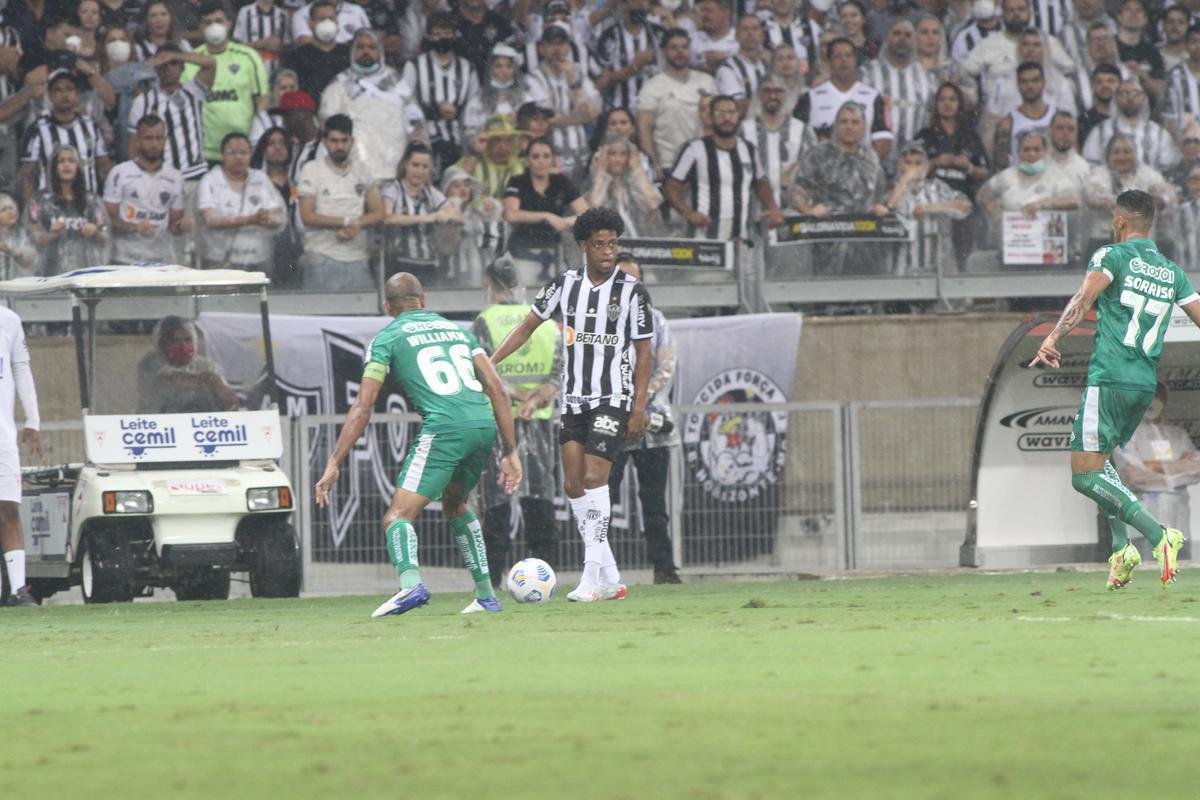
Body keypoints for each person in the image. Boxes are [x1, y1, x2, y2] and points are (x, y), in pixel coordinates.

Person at [314, 272, 522, 617]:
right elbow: (497, 389)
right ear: (423, 301)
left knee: (397, 515)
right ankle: (486, 595)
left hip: (444, 428)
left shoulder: (388, 337)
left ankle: (411, 585)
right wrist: (511, 451)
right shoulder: (460, 332)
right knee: (456, 503)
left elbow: (364, 405)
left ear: (387, 306)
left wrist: (335, 460)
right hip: (482, 424)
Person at [1030, 189, 1194, 590]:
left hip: (1110, 377)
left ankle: (1158, 535)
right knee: (1102, 463)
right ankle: (1122, 549)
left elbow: (1084, 297)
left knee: (1083, 477)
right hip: (1143, 383)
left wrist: (1052, 337)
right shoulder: (1173, 272)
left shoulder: (1111, 256)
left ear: (1119, 221)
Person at [490, 207, 653, 602]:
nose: (607, 251)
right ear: (583, 245)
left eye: (613, 243)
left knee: (597, 479)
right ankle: (611, 577)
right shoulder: (564, 285)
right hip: (575, 399)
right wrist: (490, 362)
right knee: (573, 484)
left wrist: (638, 404)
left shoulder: (632, 291)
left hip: (613, 397)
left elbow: (645, 352)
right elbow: (527, 327)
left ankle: (590, 577)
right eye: (599, 244)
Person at [471, 259, 562, 582]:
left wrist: (517, 396)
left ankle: (492, 578)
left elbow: (483, 373)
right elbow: (557, 376)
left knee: (497, 500)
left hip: (500, 422)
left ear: (488, 284)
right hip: (540, 421)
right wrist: (535, 398)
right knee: (539, 498)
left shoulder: (485, 321)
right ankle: (545, 573)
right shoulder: (545, 322)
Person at [608, 253, 682, 584]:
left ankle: (664, 568)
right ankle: (602, 570)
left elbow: (666, 366)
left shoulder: (657, 320)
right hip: (610, 425)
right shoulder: (600, 323)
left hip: (652, 425)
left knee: (654, 502)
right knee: (603, 501)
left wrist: (640, 400)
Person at [666, 94, 784, 241]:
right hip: (704, 238)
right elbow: (672, 186)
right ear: (710, 117)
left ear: (738, 116)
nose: (726, 118)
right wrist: (688, 213)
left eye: (731, 113)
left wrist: (772, 207)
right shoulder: (694, 149)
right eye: (719, 113)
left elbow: (760, 182)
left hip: (741, 238)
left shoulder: (748, 149)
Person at [296, 114, 383, 292]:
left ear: (352, 141)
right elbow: (307, 216)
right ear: (324, 142)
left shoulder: (363, 171)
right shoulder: (311, 169)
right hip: (321, 256)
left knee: (360, 316)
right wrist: (345, 222)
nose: (339, 146)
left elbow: (379, 212)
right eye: (334, 141)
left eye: (344, 140)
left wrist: (358, 223)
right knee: (319, 317)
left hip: (358, 257)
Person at [323, 27, 419, 185]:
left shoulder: (397, 83)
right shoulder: (339, 84)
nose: (366, 51)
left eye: (372, 47)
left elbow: (415, 122)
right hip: (353, 175)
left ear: (380, 51)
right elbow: (327, 126)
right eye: (360, 47)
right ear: (352, 51)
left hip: (394, 174)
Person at [1113, 381, 1200, 551]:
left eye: (1158, 396)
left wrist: (1151, 466)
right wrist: (1179, 466)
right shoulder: (1127, 434)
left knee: (1181, 569)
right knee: (1145, 568)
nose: (1153, 401)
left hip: (1178, 515)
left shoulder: (1178, 434)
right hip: (1142, 513)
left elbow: (1196, 470)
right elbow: (1132, 475)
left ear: (1165, 400)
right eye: (1149, 396)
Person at [184, 2, 269, 164]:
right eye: (208, 22)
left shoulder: (248, 56)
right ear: (200, 27)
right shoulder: (191, 59)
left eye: (218, 21)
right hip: (204, 151)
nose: (214, 26)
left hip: (243, 150)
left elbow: (261, 100)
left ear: (228, 24)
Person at [503, 137, 588, 288]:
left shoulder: (561, 181)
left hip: (556, 252)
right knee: (524, 294)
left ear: (553, 159)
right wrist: (547, 216)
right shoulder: (517, 181)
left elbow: (587, 214)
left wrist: (569, 220)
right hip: (523, 250)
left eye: (546, 156)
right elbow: (511, 214)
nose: (541, 161)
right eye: (535, 157)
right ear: (527, 159)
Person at [104, 114, 188, 264]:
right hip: (124, 259)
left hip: (160, 260)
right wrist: (135, 227)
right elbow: (108, 221)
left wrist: (183, 226)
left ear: (165, 140)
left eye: (159, 138)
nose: (154, 143)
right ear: (137, 140)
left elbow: (174, 226)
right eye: (148, 138)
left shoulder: (175, 177)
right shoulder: (120, 173)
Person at [20, 68, 111, 205]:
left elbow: (104, 166)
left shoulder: (91, 125)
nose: (65, 94)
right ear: (49, 95)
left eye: (69, 89)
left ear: (77, 94)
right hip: (50, 207)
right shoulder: (37, 129)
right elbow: (27, 174)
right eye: (58, 90)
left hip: (87, 204)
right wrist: (32, 213)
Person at [793, 37, 893, 162]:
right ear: (828, 62)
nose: (843, 60)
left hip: (861, 172)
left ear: (856, 60)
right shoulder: (809, 98)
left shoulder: (873, 97)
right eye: (837, 56)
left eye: (848, 55)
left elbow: (883, 141)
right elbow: (795, 139)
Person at [524, 21, 601, 182]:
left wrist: (572, 80)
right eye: (551, 44)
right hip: (550, 154)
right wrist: (579, 117)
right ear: (542, 49)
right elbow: (544, 120)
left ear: (568, 48)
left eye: (561, 44)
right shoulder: (533, 78)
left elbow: (593, 114)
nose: (557, 49)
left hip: (581, 150)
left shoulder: (578, 73)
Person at [197, 131, 285, 271]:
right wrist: (251, 220)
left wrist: (268, 219)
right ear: (222, 155)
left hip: (259, 258)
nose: (238, 157)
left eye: (243, 152)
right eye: (232, 153)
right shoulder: (210, 180)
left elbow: (278, 215)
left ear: (251, 153)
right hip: (220, 260)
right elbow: (210, 220)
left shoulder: (260, 178)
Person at [636, 27, 716, 179]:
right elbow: (644, 130)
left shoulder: (707, 81)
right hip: (670, 165)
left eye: (684, 47)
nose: (680, 52)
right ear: (664, 51)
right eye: (673, 47)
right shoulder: (652, 87)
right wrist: (654, 165)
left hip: (705, 161)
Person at [0, 306, 40, 607]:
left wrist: (33, 420)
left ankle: (18, 590)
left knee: (8, 508)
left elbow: (21, 369)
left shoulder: (10, 319)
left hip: (2, 435)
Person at [26, 144, 109, 275]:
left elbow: (106, 240)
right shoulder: (39, 201)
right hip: (50, 274)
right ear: (54, 167)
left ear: (78, 167)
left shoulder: (92, 201)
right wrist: (52, 235)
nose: (66, 165)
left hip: (86, 274)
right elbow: (31, 239)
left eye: (71, 161)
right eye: (61, 161)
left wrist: (95, 232)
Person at [136, 315, 239, 414]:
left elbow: (231, 402)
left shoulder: (207, 366)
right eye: (175, 340)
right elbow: (166, 380)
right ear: (162, 343)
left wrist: (217, 384)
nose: (183, 346)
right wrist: (206, 379)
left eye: (188, 339)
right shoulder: (151, 363)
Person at [1081, 80, 1178, 172]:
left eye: (1135, 93)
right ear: (1116, 98)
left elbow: (1168, 168)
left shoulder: (1159, 134)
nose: (1130, 98)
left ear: (1143, 98)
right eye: (1124, 93)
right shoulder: (1100, 131)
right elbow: (1091, 165)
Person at [584, 135, 663, 236]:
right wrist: (601, 172)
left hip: (639, 241)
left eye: (623, 154)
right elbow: (595, 208)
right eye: (612, 154)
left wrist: (637, 169)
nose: (618, 160)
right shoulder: (592, 182)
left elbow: (653, 204)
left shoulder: (634, 182)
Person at [593, 0, 663, 113]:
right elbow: (600, 84)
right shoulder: (609, 36)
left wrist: (668, 17)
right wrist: (634, 66)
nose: (641, 4)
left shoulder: (659, 34)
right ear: (623, 4)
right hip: (620, 112)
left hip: (656, 111)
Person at [279, 0, 350, 100]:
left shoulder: (348, 53)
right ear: (310, 25)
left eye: (331, 18)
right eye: (321, 19)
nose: (327, 23)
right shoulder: (296, 57)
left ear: (337, 23)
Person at [0, 194, 36, 280]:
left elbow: (30, 262)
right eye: (3, 210)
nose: (10, 212)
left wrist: (11, 251)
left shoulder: (22, 233)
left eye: (11, 208)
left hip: (20, 286)